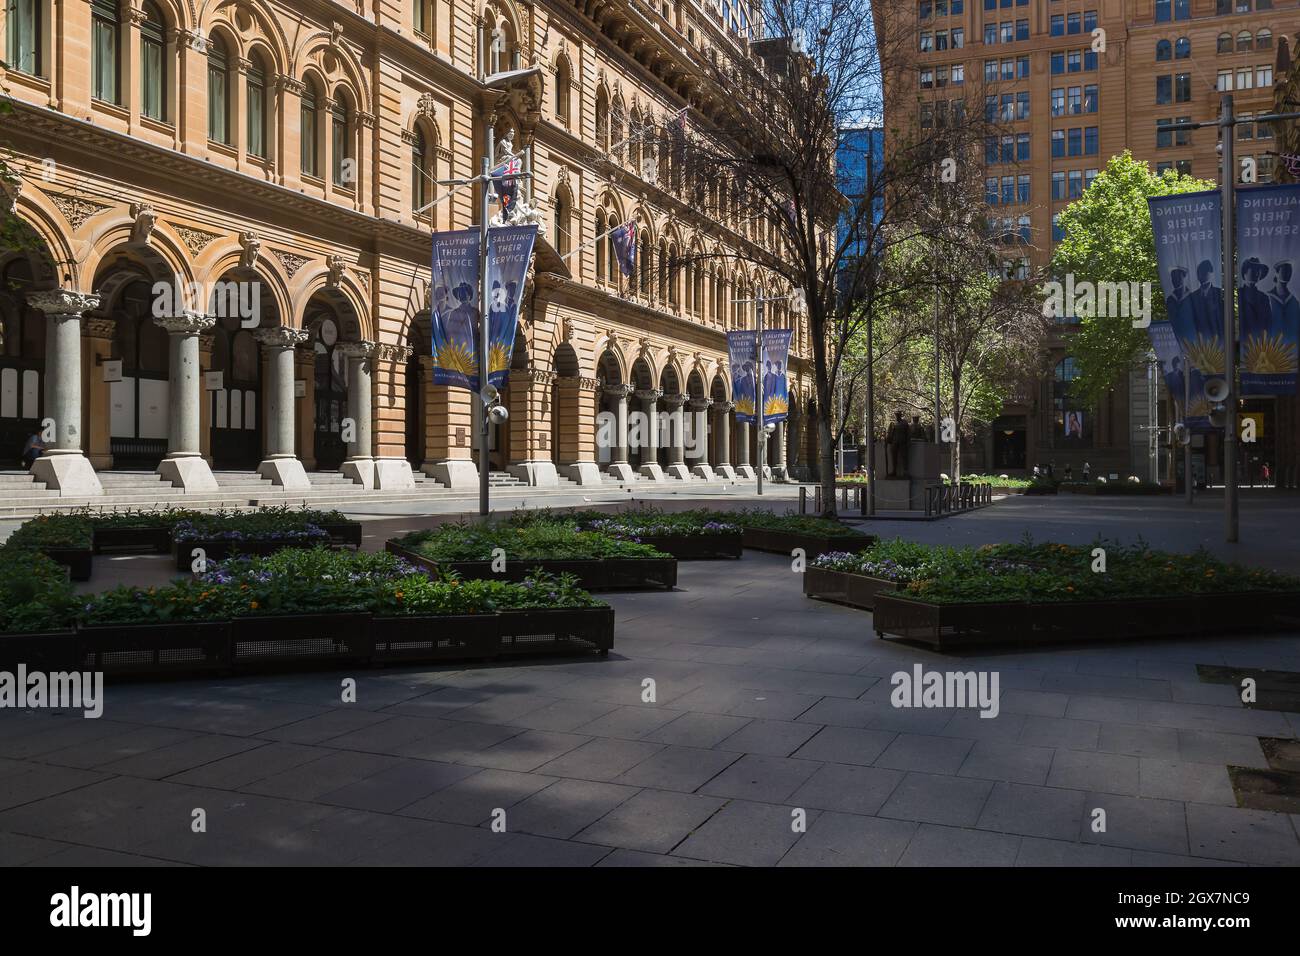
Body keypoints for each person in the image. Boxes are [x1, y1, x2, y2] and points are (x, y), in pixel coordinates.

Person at [885, 411, 909, 478]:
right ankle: (894, 471)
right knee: (894, 457)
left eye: (898, 415)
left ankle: (905, 471)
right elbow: (890, 433)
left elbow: (908, 432)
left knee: (904, 457)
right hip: (894, 442)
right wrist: (888, 439)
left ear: (900, 415)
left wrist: (908, 441)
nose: (897, 416)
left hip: (902, 442)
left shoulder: (904, 423)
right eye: (896, 415)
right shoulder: (893, 423)